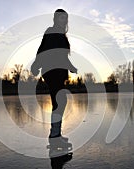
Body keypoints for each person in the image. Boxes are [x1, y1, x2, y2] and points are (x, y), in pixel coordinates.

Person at [31, 9, 77, 139]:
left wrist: (71, 67)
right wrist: (36, 65)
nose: (64, 20)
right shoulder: (51, 31)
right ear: (56, 19)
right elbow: (43, 49)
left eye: (65, 18)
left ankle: (56, 132)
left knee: (59, 101)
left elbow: (63, 56)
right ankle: (54, 133)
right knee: (60, 101)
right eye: (61, 18)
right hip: (52, 71)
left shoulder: (62, 35)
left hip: (59, 71)